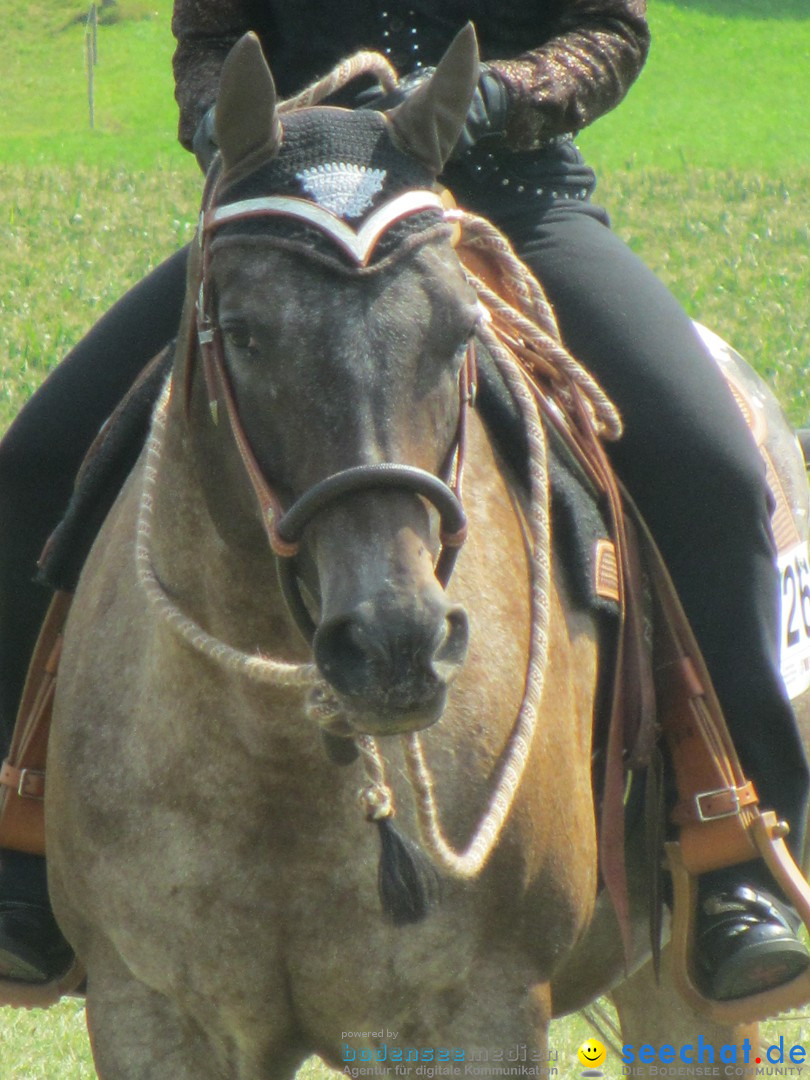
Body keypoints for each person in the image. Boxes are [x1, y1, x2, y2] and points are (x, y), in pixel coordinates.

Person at [0, 0, 807, 1002]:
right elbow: (206, 42)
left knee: (713, 471)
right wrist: (224, 120)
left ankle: (733, 844)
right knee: (31, 466)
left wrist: (499, 97)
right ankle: (22, 840)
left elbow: (612, 29)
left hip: (512, 203)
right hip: (292, 210)